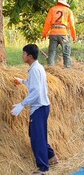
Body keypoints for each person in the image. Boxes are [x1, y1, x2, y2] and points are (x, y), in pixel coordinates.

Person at [11, 44, 57, 175]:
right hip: (42, 106)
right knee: (37, 135)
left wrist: (22, 104)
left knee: (37, 138)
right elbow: (34, 84)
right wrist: (22, 81)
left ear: (30, 56)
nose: (22, 55)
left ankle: (43, 169)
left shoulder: (35, 69)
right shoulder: (36, 67)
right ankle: (52, 157)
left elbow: (36, 91)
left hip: (39, 107)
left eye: (24, 53)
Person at [42, 0, 76, 68]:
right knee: (66, 52)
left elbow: (47, 23)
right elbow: (72, 25)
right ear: (65, 3)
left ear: (58, 2)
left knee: (52, 52)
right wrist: (74, 36)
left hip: (53, 33)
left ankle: (50, 68)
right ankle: (67, 68)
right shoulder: (68, 11)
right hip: (63, 34)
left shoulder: (52, 9)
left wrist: (44, 34)